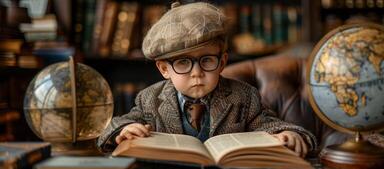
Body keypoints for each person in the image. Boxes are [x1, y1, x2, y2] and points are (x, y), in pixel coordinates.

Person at [97, 1, 317, 157]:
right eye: (183, 62)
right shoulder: (150, 99)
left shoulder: (244, 97)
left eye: (207, 61)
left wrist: (288, 133)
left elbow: (269, 124)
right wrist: (125, 130)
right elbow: (115, 124)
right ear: (164, 69)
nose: (196, 72)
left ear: (221, 63)